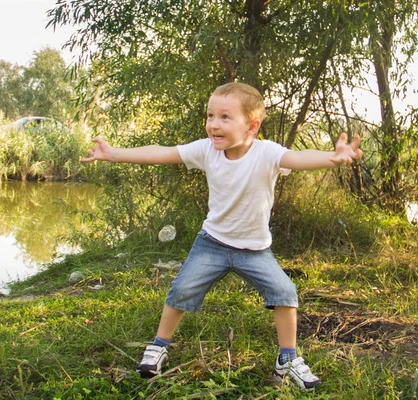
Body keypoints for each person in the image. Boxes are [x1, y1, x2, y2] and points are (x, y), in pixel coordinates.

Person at [81, 82, 362, 391]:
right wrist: (114, 154)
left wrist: (330, 157)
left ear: (252, 126)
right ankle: (159, 346)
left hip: (254, 250)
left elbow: (298, 159)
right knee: (181, 290)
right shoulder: (206, 149)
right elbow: (162, 153)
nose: (214, 123)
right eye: (211, 115)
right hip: (211, 243)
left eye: (225, 117)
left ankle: (288, 358)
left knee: (285, 293)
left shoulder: (267, 153)